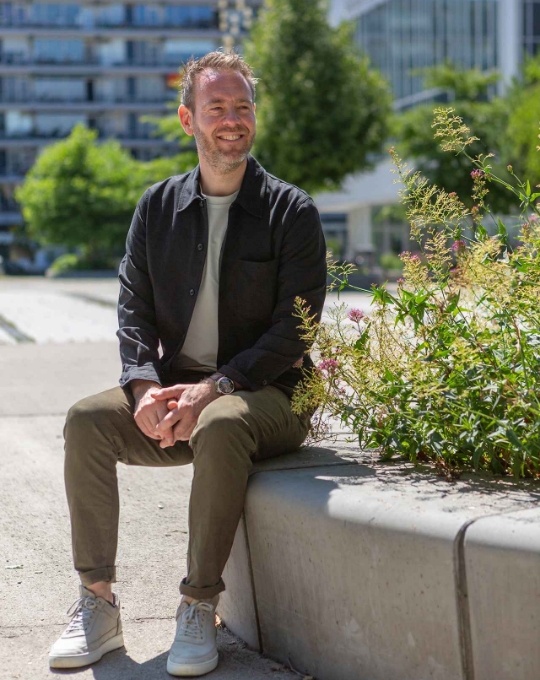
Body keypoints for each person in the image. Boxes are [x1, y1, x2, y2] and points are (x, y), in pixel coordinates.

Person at [48, 51, 327, 676]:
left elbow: (295, 331)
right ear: (187, 119)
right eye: (216, 107)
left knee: (222, 421)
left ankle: (199, 605)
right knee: (87, 420)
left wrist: (216, 388)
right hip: (178, 394)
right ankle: (97, 604)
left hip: (271, 395)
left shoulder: (292, 212)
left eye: (243, 107)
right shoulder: (156, 207)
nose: (232, 120)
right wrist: (144, 387)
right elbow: (133, 310)